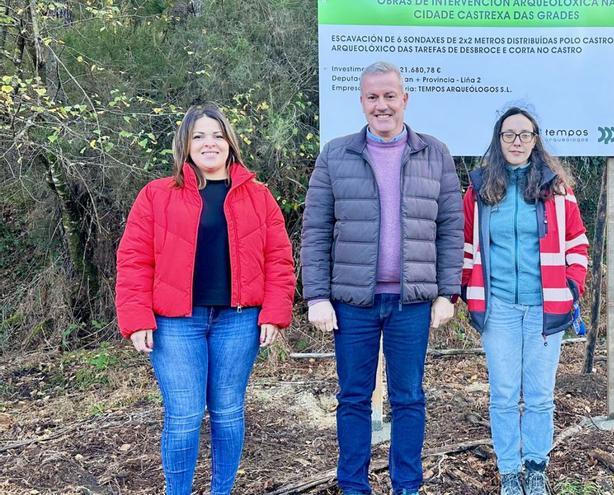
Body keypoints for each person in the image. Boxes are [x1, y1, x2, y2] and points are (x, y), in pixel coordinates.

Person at [300, 61, 463, 495]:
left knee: (408, 398)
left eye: (390, 95)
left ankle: (406, 485)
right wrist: (317, 296)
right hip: (353, 304)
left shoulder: (436, 153)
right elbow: (314, 230)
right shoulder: (336, 154)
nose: (382, 105)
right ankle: (353, 486)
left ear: (405, 99)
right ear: (361, 102)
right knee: (353, 398)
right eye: (372, 97)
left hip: (412, 303)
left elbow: (450, 228)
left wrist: (448, 292)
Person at [115, 103, 295, 495]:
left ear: (230, 142)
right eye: (199, 136)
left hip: (239, 319)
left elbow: (279, 258)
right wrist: (137, 317)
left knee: (228, 412)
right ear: (186, 144)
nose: (209, 143)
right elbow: (133, 259)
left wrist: (274, 313)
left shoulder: (258, 196)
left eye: (217, 135)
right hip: (177, 322)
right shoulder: (156, 195)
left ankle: (221, 491)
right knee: (184, 415)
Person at [460, 107, 589, 495]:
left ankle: (536, 467)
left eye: (525, 134)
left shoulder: (557, 189)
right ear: (498, 141)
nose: (517, 142)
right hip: (497, 307)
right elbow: (467, 246)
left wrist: (571, 287)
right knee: (502, 394)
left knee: (538, 395)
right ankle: (509, 472)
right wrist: (469, 289)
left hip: (545, 307)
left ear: (536, 140)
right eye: (509, 135)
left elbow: (578, 243)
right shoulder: (480, 188)